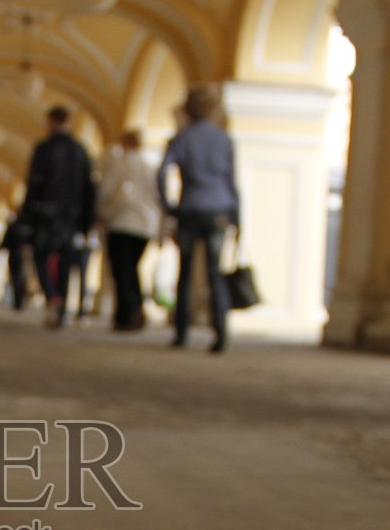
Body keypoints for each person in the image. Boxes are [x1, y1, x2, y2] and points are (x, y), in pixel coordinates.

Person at [159, 85, 240, 352]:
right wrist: (237, 217)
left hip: (190, 208)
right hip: (219, 209)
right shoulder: (224, 139)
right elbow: (232, 182)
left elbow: (162, 173)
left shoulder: (181, 138)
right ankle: (221, 333)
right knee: (215, 273)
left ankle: (181, 332)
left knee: (185, 272)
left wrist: (168, 206)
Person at [20, 104, 96, 328]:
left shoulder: (44, 149)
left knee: (41, 255)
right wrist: (87, 222)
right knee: (66, 260)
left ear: (50, 121)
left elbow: (33, 184)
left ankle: (52, 296)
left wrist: (26, 218)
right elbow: (90, 188)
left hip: (46, 212)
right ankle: (60, 300)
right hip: (72, 215)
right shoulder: (80, 150)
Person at [96, 129, 164, 331]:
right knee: (132, 269)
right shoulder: (149, 166)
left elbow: (106, 188)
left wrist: (99, 211)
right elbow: (158, 196)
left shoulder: (121, 163)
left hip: (122, 221)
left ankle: (127, 313)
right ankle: (133, 310)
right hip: (145, 225)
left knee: (121, 270)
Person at [0, 211, 32, 311]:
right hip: (25, 256)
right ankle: (21, 298)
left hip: (14, 255)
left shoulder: (12, 226)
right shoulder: (28, 226)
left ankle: (17, 300)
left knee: (15, 278)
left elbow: (5, 242)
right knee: (23, 276)